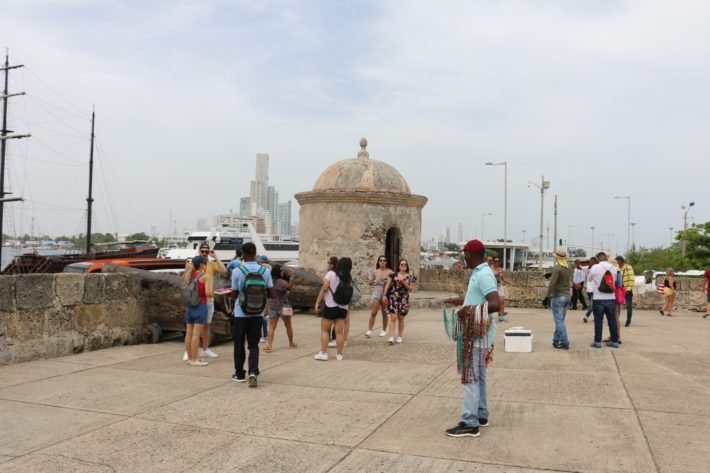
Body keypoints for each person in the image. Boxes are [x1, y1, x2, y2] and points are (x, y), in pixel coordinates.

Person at [443, 240, 499, 438]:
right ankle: (481, 414)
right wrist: (462, 301)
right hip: (479, 336)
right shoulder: (480, 272)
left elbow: (495, 303)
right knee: (479, 376)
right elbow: (480, 300)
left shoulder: (483, 274)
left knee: (471, 377)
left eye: (464, 254)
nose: (463, 258)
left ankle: (469, 421)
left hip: (477, 336)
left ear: (470, 254)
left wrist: (468, 310)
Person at [231, 242, 274, 387]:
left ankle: (239, 374)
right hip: (257, 313)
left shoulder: (238, 271)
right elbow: (271, 293)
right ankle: (253, 372)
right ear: (255, 254)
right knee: (253, 344)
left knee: (239, 343)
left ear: (243, 254)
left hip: (241, 313)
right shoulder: (264, 271)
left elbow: (234, 294)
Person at [182, 242, 226, 361]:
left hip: (206, 301)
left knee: (206, 326)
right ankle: (189, 352)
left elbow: (223, 270)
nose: (205, 253)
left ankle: (204, 349)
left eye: (207, 252)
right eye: (203, 251)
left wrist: (215, 256)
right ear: (199, 251)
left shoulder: (211, 264)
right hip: (199, 299)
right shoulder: (192, 265)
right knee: (193, 331)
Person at [314, 257, 353, 361]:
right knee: (339, 332)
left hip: (331, 306)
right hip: (343, 308)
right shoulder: (348, 278)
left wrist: (317, 302)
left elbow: (325, 288)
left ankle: (324, 353)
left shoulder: (331, 274)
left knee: (325, 330)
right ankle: (339, 355)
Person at [588, 252, 619, 348]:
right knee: (612, 321)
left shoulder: (595, 267)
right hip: (611, 298)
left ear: (597, 259)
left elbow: (589, 279)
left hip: (598, 298)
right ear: (606, 258)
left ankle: (597, 342)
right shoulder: (614, 268)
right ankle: (614, 341)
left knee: (598, 320)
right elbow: (616, 281)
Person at [382, 258, 417, 345]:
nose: (403, 266)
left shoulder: (410, 277)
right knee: (393, 317)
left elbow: (411, 289)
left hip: (404, 299)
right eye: (402, 264)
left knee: (401, 318)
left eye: (405, 264)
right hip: (393, 297)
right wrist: (384, 295)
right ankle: (391, 337)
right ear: (399, 266)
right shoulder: (393, 275)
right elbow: (387, 285)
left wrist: (405, 284)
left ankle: (400, 336)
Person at [183, 256, 210, 366]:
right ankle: (195, 359)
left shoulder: (188, 275)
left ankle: (190, 358)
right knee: (196, 335)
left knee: (188, 334)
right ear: (202, 265)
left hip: (190, 307)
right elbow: (208, 293)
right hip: (200, 305)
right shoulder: (205, 276)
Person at [264, 264, 297, 352]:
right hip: (284, 307)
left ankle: (270, 346)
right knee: (288, 326)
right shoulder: (282, 282)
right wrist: (292, 277)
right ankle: (291, 343)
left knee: (271, 327)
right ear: (280, 273)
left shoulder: (270, 281)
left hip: (273, 306)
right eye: (282, 271)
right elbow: (289, 288)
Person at [544, 248, 572, 349]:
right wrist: (552, 275)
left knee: (559, 321)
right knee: (560, 320)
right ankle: (556, 340)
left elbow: (553, 283)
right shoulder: (568, 266)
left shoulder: (557, 267)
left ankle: (564, 342)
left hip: (558, 296)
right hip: (567, 296)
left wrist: (547, 296)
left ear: (556, 258)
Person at [365, 255, 391, 338]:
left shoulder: (390, 272)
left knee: (384, 313)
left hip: (385, 292)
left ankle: (384, 330)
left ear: (386, 262)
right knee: (373, 312)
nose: (382, 262)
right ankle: (369, 330)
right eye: (381, 260)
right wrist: (373, 281)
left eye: (384, 260)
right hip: (377, 291)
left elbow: (394, 283)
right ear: (378, 262)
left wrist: (389, 282)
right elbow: (370, 282)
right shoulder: (375, 272)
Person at [491, 256, 513, 322]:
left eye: (498, 261)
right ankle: (496, 315)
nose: (496, 262)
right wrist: (495, 275)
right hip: (492, 286)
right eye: (495, 261)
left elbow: (502, 279)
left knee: (502, 300)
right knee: (494, 302)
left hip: (499, 286)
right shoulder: (490, 269)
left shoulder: (500, 269)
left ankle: (501, 316)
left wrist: (509, 282)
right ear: (493, 262)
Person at [615, 255, 635, 327]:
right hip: (619, 290)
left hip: (627, 290)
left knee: (629, 306)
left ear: (621, 261)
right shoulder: (616, 269)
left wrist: (628, 289)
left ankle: (628, 321)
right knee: (617, 306)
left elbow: (631, 279)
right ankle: (616, 320)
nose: (617, 263)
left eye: (618, 261)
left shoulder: (628, 267)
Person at [258, 255, 271, 343]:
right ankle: (264, 335)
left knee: (261, 316)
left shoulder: (262, 268)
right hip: (266, 294)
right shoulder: (269, 268)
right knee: (265, 315)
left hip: (260, 294)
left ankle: (263, 335)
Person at [583, 257, 597, 323]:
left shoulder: (596, 269)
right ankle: (595, 317)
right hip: (589, 290)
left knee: (592, 305)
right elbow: (580, 267)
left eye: (591, 261)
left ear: (594, 262)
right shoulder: (588, 268)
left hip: (594, 290)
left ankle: (586, 316)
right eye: (589, 261)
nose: (590, 263)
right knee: (593, 304)